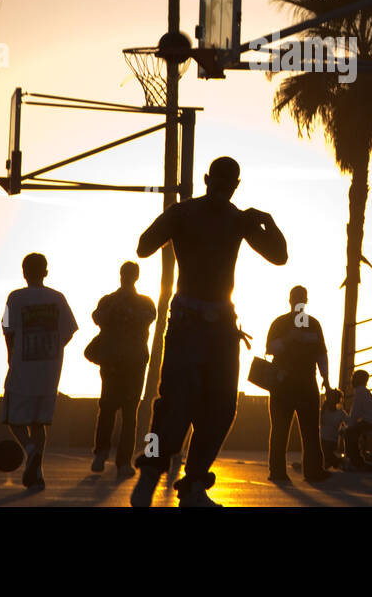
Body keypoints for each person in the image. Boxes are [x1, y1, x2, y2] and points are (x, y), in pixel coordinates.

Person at [130, 157, 289, 507]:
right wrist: (171, 223)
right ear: (218, 182)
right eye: (223, 184)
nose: (224, 190)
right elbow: (143, 247)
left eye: (227, 185)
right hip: (195, 321)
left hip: (214, 324)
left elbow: (279, 257)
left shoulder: (230, 218)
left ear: (220, 182)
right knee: (179, 403)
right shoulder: (211, 216)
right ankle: (154, 473)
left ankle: (191, 483)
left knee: (215, 406)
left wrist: (267, 222)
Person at [1, 252, 78, 490]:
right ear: (46, 272)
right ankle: (38, 474)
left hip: (23, 368)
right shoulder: (58, 298)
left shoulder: (14, 298)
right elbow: (70, 330)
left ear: (24, 272)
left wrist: (11, 357)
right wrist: (52, 348)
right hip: (49, 370)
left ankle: (30, 450)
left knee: (13, 420)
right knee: (39, 423)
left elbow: (7, 330)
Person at [90, 261, 156, 479]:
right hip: (114, 363)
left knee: (126, 413)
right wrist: (119, 305)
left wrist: (124, 308)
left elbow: (146, 319)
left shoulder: (145, 302)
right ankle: (104, 455)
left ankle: (121, 460)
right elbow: (97, 317)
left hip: (133, 364)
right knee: (110, 409)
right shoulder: (109, 300)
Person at [265, 285, 331, 485]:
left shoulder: (313, 324)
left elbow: (321, 353)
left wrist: (326, 380)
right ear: (290, 300)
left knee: (310, 429)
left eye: (302, 298)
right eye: (297, 298)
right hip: (283, 384)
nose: (299, 301)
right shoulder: (280, 323)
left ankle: (313, 471)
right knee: (280, 428)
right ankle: (277, 471)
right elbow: (269, 349)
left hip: (305, 383)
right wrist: (288, 339)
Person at [345, 369, 372, 469]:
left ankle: (356, 461)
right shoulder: (365, 391)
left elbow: (355, 412)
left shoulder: (360, 392)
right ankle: (356, 459)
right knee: (353, 431)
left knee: (349, 432)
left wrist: (349, 425)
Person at [320, 388, 348, 470]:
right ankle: (334, 461)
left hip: (330, 441)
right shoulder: (323, 411)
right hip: (324, 440)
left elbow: (349, 423)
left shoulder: (340, 413)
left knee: (324, 454)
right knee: (325, 458)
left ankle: (336, 461)